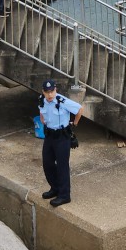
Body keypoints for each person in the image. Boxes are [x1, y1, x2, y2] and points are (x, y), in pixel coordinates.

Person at [39, 78, 83, 207]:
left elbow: (80, 109)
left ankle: (64, 195)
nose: (50, 94)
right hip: (49, 136)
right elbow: (41, 111)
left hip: (62, 137)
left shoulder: (62, 101)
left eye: (52, 91)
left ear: (55, 90)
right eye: (47, 92)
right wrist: (43, 120)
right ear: (43, 92)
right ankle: (55, 188)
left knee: (62, 166)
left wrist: (74, 124)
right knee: (47, 163)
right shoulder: (41, 100)